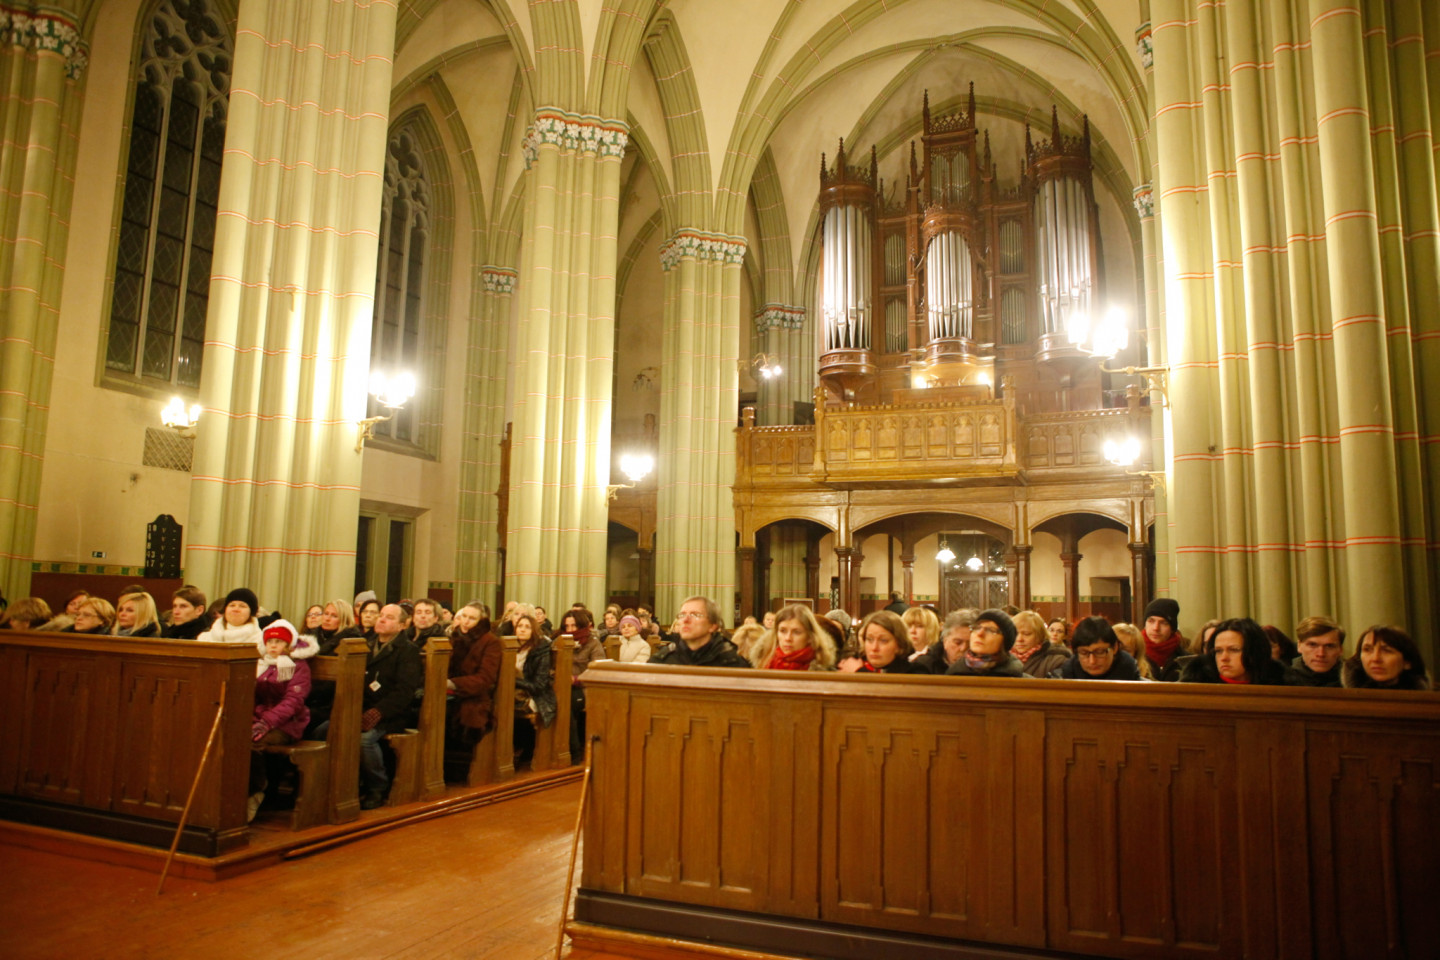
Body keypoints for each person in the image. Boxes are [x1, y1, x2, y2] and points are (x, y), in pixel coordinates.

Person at [335, 603, 422, 808]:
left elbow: (404, 692)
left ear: (402, 625)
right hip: (359, 708)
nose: (381, 619)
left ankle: (377, 786)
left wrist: (378, 711)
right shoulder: (364, 644)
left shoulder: (408, 651)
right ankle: (342, 785)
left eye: (389, 617)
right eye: (381, 615)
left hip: (390, 714)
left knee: (365, 740)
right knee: (325, 730)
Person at [248, 619, 317, 821]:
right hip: (261, 719)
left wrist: (266, 721)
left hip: (289, 723)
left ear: (288, 645)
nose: (273, 646)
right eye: (270, 642)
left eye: (278, 642)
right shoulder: (262, 664)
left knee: (254, 743)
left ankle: (257, 790)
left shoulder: (297, 666)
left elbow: (293, 701)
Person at [445, 602, 502, 748]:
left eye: (471, 618)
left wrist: (454, 684)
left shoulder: (490, 642)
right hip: (447, 694)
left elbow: (485, 679)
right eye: (463, 616)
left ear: (480, 621)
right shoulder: (454, 637)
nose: (465, 621)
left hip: (473, 699)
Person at [1179, 618, 1285, 685]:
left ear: (1254, 651)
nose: (1224, 658)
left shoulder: (1282, 685)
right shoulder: (1196, 686)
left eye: (1234, 650)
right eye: (1218, 651)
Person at [649, 596, 750, 667]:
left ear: (713, 626)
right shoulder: (661, 660)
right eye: (682, 615)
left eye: (695, 615)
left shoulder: (733, 663)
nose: (685, 620)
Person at [513, 613, 558, 766]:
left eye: (527, 627)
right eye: (520, 626)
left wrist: (515, 681)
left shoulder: (541, 650)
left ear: (534, 630)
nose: (523, 630)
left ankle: (520, 747)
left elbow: (539, 685)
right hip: (512, 692)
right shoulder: (510, 648)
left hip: (536, 695)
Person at [749, 603, 837, 671]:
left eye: (796, 632)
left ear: (810, 636)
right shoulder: (764, 662)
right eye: (783, 631)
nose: (788, 638)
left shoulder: (824, 670)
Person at [1051, 617, 1143, 680]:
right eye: (1084, 653)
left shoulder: (1131, 674)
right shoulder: (1063, 676)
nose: (1092, 661)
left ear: (1115, 648)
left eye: (1100, 652)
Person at [1342, 625, 1430, 690]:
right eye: (1367, 649)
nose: (1375, 658)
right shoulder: (1343, 699)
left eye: (1386, 651)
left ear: (1407, 662)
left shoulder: (1429, 703)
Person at [946, 608, 1027, 678]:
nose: (980, 633)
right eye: (977, 628)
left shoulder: (1023, 683)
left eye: (991, 630)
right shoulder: (953, 674)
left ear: (1004, 641)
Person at [838, 610, 925, 674]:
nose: (874, 648)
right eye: (869, 639)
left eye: (883, 641)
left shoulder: (915, 672)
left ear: (900, 644)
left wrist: (859, 672)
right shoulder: (852, 662)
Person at [1283, 616, 1345, 687]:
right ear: (1299, 646)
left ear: (1340, 649)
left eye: (1329, 646)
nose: (1321, 654)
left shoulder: (1355, 681)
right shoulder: (1282, 680)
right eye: (1312, 645)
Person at [1012, 610, 1071, 677]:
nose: (1019, 639)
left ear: (1040, 635)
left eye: (1026, 634)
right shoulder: (1002, 659)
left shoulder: (1057, 662)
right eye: (1015, 633)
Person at [913, 609, 974, 674]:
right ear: (945, 641)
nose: (963, 648)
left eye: (970, 643)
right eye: (958, 643)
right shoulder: (924, 666)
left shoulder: (982, 667)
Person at [198, 588, 263, 644]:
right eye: (232, 605)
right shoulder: (205, 639)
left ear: (251, 612)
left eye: (242, 606)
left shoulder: (260, 641)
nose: (236, 609)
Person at [1141, 598, 1186, 679]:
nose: (1156, 628)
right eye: (1151, 621)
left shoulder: (1185, 661)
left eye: (1163, 623)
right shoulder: (1134, 656)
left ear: (1172, 628)